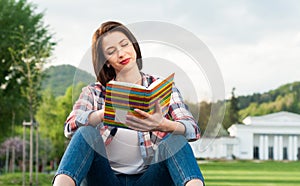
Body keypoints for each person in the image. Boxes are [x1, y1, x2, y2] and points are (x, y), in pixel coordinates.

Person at [52, 21, 205, 186]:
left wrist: (164, 125)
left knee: (175, 140)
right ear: (107, 62)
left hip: (150, 180)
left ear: (134, 47)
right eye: (111, 51)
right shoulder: (93, 92)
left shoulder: (163, 88)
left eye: (124, 45)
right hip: (105, 180)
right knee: (86, 133)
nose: (121, 53)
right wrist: (103, 114)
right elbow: (69, 128)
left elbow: (192, 130)